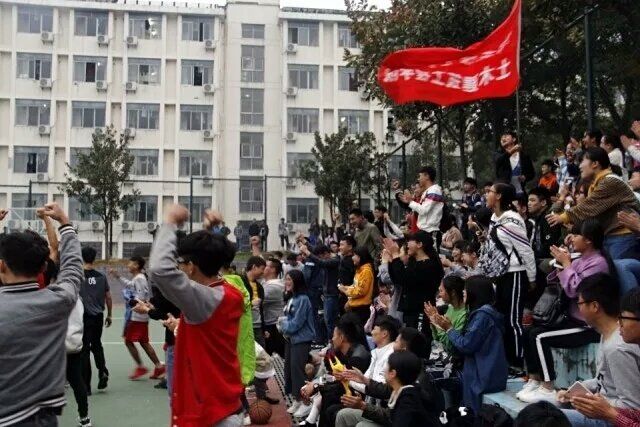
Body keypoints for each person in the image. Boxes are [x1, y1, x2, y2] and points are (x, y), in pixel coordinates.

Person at [148, 204, 245, 426]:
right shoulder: (229, 293)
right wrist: (208, 233)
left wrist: (169, 222)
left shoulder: (203, 300)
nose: (179, 267)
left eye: (181, 263)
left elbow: (160, 270)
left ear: (191, 267)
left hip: (209, 415)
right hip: (226, 407)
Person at [0, 203, 85, 427]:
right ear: (43, 268)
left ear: (2, 266)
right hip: (45, 418)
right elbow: (73, 269)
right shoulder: (58, 301)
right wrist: (64, 222)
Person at [518, 219, 607, 404]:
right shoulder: (580, 259)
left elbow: (575, 290)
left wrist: (566, 264)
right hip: (571, 318)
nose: (571, 238)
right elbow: (558, 282)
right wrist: (561, 262)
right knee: (529, 330)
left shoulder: (598, 263)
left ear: (589, 240)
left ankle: (548, 387)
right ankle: (534, 379)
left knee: (539, 337)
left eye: (576, 235)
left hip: (587, 325)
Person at [558, 274, 640, 426]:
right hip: (605, 410)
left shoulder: (618, 347)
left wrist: (594, 404)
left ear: (595, 306)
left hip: (610, 418)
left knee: (546, 418)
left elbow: (632, 406)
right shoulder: (607, 335)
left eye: (579, 303)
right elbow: (603, 380)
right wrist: (576, 391)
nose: (578, 308)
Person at [429, 275, 509, 412]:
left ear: (475, 292)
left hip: (483, 375)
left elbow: (466, 345)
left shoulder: (483, 316)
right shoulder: (481, 313)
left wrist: (449, 329)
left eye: (466, 290)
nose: (463, 293)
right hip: (480, 370)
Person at [336, 327, 443, 427]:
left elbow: (393, 418)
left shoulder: (411, 393)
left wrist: (363, 406)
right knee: (343, 415)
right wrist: (364, 380)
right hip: (388, 417)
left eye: (396, 341)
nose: (384, 370)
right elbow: (386, 392)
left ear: (393, 373)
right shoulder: (406, 374)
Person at [547, 147, 640, 259]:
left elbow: (589, 206)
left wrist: (564, 216)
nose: (579, 166)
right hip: (611, 236)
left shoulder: (610, 181)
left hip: (623, 236)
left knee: (621, 268)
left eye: (582, 161)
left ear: (595, 164)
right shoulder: (595, 185)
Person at [485, 182, 537, 366]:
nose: (486, 195)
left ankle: (517, 361)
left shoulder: (512, 220)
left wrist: (531, 278)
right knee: (501, 318)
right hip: (500, 275)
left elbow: (525, 250)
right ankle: (505, 359)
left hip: (515, 274)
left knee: (513, 320)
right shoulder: (494, 218)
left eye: (490, 192)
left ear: (499, 196)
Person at [110, 257, 165, 380]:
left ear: (136, 265)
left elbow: (140, 297)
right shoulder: (138, 278)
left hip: (137, 316)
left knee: (128, 341)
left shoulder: (139, 278)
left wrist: (132, 301)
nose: (128, 265)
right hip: (141, 315)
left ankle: (141, 367)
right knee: (143, 342)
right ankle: (158, 366)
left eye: (130, 263)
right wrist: (118, 276)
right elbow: (130, 285)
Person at [386, 231, 444, 334]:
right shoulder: (414, 263)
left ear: (419, 244)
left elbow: (404, 278)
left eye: (410, 241)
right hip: (410, 311)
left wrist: (395, 255)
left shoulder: (429, 265)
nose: (407, 244)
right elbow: (398, 280)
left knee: (419, 338)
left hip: (421, 311)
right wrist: (391, 260)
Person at [279, 269, 317, 418]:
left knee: (297, 370)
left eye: (290, 279)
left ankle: (306, 402)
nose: (287, 282)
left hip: (301, 340)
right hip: (290, 339)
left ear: (297, 281)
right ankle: (296, 399)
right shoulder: (292, 298)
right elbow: (288, 318)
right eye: (286, 279)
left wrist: (282, 324)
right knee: (289, 369)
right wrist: (283, 323)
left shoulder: (303, 299)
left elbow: (296, 323)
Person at [80, 246, 112, 394]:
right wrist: (109, 314)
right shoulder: (101, 276)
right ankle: (103, 371)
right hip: (98, 316)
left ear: (81, 257)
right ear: (94, 258)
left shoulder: (78, 277)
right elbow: (108, 297)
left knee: (85, 349)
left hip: (83, 317)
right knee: (97, 344)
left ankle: (86, 386)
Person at [300, 243, 342, 343]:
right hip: (326, 293)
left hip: (332, 294)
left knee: (329, 320)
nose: (320, 259)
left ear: (326, 253)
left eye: (321, 257)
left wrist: (307, 252)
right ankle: (330, 341)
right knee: (326, 319)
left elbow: (321, 262)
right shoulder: (329, 259)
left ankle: (332, 342)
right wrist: (306, 243)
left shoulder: (334, 260)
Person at [396, 166, 444, 246]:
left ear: (427, 176)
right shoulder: (428, 191)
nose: (419, 179)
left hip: (430, 232)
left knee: (430, 254)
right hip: (424, 231)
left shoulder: (434, 190)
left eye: (420, 176)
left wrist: (410, 201)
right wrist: (409, 202)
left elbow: (423, 210)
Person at [425, 275, 468, 355]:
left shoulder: (464, 314)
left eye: (441, 291)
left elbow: (451, 346)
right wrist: (434, 321)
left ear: (453, 293)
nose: (439, 295)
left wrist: (438, 324)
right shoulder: (450, 308)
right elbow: (437, 338)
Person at [338, 246, 375, 326]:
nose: (352, 258)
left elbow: (360, 291)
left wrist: (345, 291)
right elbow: (355, 286)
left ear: (361, 257)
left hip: (362, 308)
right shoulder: (359, 270)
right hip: (356, 307)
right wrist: (346, 287)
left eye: (355, 255)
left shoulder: (366, 271)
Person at [495, 131, 536, 195]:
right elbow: (499, 162)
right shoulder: (498, 155)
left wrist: (525, 177)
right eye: (502, 138)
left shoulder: (524, 156)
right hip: (505, 193)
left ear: (514, 139)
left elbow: (532, 173)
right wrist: (512, 151)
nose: (503, 138)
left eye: (506, 136)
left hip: (520, 192)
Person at [262, 257, 286, 357]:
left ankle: (313, 361)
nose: (262, 267)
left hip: (274, 326)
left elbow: (257, 300)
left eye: (266, 266)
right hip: (271, 324)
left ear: (273, 269)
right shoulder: (267, 283)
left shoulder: (274, 287)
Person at [242, 256, 267, 347]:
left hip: (258, 326)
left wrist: (263, 328)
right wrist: (251, 304)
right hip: (245, 325)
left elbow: (261, 309)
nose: (263, 272)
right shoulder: (240, 282)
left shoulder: (259, 286)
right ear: (254, 267)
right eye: (262, 269)